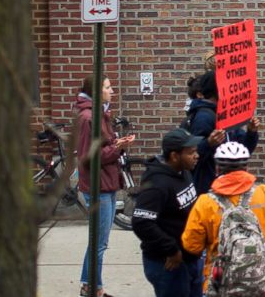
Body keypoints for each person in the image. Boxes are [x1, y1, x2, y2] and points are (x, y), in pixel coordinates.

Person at [181, 142, 265, 289]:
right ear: (246, 167)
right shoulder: (264, 194)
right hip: (258, 279)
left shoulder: (205, 203)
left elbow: (191, 245)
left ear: (217, 168)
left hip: (220, 281)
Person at [74, 75, 133, 297]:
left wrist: (118, 143)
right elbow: (91, 157)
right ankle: (93, 289)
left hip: (104, 183)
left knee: (98, 242)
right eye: (108, 87)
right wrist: (118, 148)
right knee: (99, 243)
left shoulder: (99, 114)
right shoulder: (90, 117)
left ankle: (90, 285)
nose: (113, 90)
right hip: (97, 186)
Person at [132, 128, 204, 297]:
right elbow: (141, 222)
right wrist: (171, 250)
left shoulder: (183, 171)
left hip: (190, 258)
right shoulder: (157, 184)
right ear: (174, 156)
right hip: (168, 263)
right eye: (191, 152)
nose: (197, 156)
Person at [183, 70, 259, 195]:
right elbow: (191, 156)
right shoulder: (204, 117)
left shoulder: (224, 115)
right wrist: (208, 143)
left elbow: (243, 150)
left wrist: (251, 133)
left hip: (228, 186)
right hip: (210, 188)